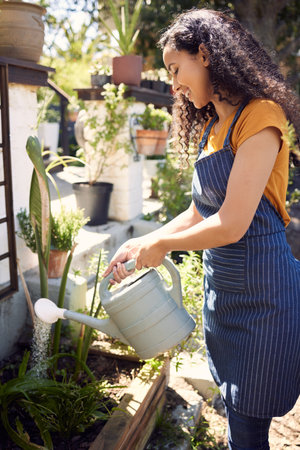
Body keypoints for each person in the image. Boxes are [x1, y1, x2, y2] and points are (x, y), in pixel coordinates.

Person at [103, 8, 300, 450]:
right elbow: (199, 211)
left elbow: (230, 224)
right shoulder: (214, 125)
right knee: (235, 415)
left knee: (249, 431)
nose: (173, 84)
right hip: (225, 293)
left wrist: (165, 247)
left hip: (264, 297)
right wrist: (145, 240)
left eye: (176, 69)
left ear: (206, 55)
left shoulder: (260, 117)